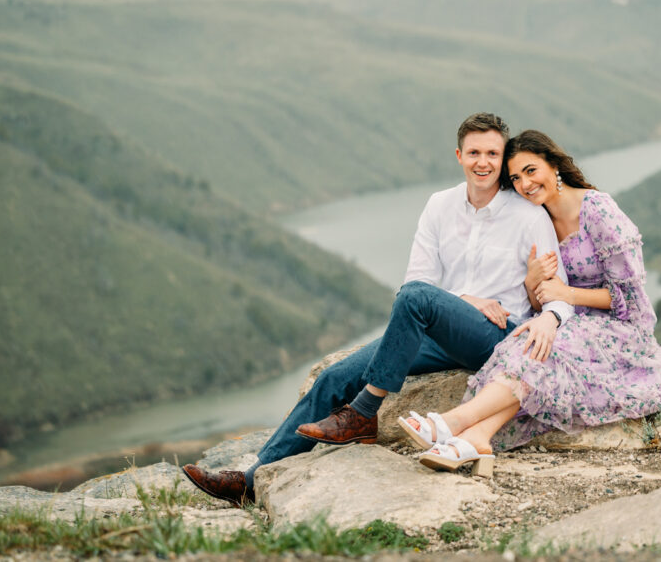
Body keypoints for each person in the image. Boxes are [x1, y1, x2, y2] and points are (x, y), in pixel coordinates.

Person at [182, 114, 574, 504]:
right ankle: (250, 482)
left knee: (417, 300)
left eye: (492, 153)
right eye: (474, 152)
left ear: (503, 157)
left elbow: (559, 293)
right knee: (335, 377)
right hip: (441, 331)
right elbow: (414, 282)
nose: (483, 162)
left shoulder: (526, 215)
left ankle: (364, 412)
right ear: (459, 155)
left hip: (496, 336)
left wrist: (551, 319)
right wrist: (466, 300)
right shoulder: (440, 205)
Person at [400, 130, 661, 475]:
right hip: (569, 322)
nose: (524, 184)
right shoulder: (538, 221)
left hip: (620, 327)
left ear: (553, 164)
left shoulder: (599, 211)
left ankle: (453, 422)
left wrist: (566, 295)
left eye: (530, 170)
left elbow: (631, 301)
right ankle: (478, 439)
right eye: (515, 178)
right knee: (529, 345)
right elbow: (541, 302)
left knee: (545, 350)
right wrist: (532, 283)